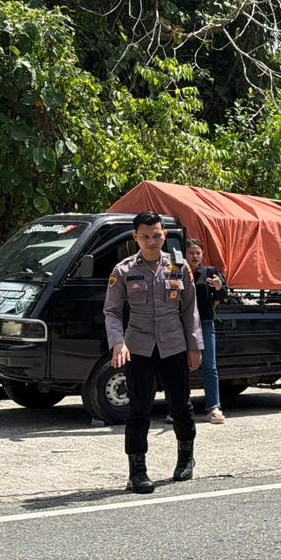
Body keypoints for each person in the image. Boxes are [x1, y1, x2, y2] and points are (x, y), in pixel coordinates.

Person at [103, 211, 203, 494]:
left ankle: (186, 458)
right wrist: (118, 343)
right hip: (139, 348)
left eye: (156, 235)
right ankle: (137, 471)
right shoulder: (123, 270)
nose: (151, 241)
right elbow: (111, 312)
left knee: (180, 405)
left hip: (174, 345)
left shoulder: (178, 268)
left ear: (164, 235)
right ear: (135, 237)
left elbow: (189, 309)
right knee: (138, 409)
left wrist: (195, 346)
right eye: (145, 236)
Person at [186, 239, 228, 424]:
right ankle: (178, 407)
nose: (195, 256)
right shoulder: (177, 272)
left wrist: (219, 287)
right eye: (191, 253)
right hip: (183, 325)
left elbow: (222, 296)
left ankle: (214, 408)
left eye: (198, 253)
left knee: (209, 366)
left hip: (205, 323)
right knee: (181, 366)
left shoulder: (209, 272)